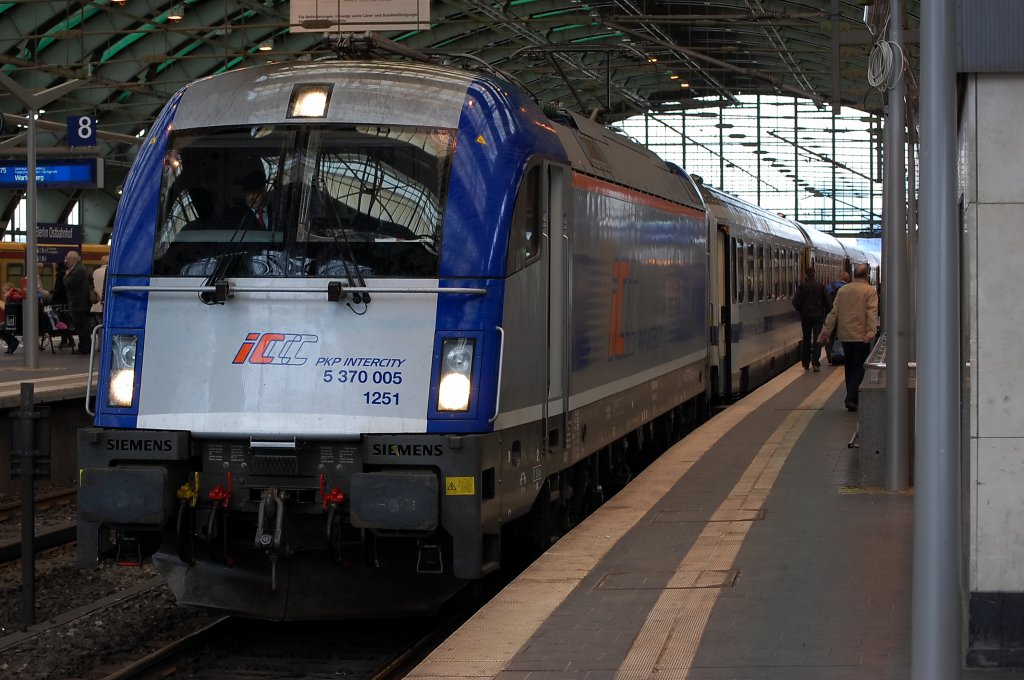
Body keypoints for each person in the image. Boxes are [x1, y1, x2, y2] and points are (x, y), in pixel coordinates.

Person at [818, 263, 879, 412]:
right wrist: (871, 331)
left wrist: (825, 331)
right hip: (861, 336)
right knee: (859, 367)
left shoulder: (843, 290)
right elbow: (872, 312)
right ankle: (851, 398)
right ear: (867, 276)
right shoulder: (870, 291)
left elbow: (834, 313)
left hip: (845, 336)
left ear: (854, 275)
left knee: (849, 366)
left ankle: (851, 397)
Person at [791, 266, 831, 372]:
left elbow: (795, 302)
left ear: (806, 275)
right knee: (817, 339)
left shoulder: (802, 287)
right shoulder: (821, 286)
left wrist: (802, 310)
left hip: (806, 317)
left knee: (806, 339)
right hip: (818, 316)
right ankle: (815, 363)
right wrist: (825, 313)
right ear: (814, 274)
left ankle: (805, 363)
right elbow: (828, 303)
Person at [63, 250, 92, 354]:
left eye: (68, 258)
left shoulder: (78, 270)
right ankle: (84, 346)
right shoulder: (79, 268)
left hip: (79, 303)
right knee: (82, 327)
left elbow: (69, 283)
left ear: (74, 259)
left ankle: (85, 347)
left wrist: (66, 275)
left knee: (82, 327)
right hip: (81, 303)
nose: (66, 260)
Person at [824, 271, 851, 363]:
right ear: (848, 280)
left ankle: (829, 357)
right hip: (843, 317)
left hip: (831, 314)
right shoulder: (847, 288)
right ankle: (840, 355)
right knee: (841, 336)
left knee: (830, 336)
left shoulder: (830, 286)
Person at [1, 282, 20, 354]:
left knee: (1, 328)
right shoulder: (15, 296)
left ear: (8, 290)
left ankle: (12, 342)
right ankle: (11, 343)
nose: (4, 294)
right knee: (2, 327)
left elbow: (10, 313)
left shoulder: (11, 298)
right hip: (16, 321)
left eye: (5, 291)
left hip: (14, 322)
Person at [91, 254, 108, 319]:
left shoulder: (95, 272)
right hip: (106, 304)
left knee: (98, 325)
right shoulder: (110, 272)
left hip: (96, 304)